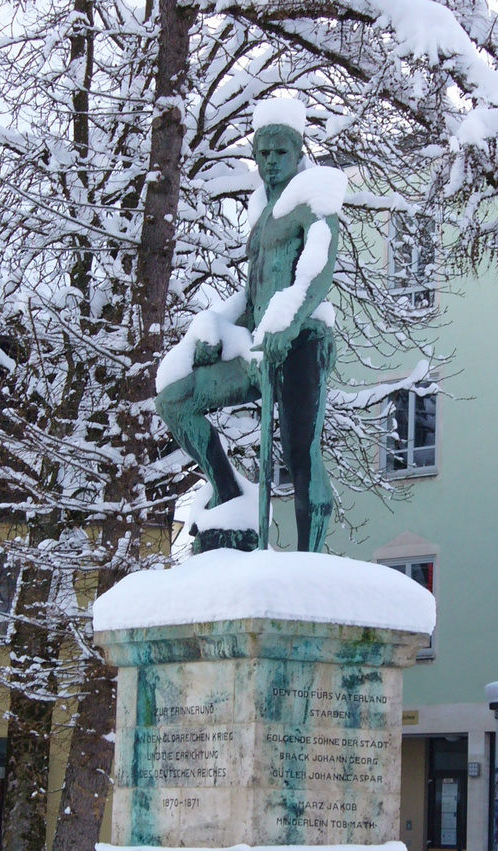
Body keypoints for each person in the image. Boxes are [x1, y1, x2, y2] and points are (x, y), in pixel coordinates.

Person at [155, 98, 347, 553]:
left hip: (301, 339)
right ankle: (228, 490)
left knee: (302, 451)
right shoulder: (261, 218)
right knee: (175, 400)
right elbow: (251, 295)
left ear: (298, 151)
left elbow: (319, 266)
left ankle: (310, 558)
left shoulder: (310, 198)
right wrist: (215, 328)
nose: (270, 162)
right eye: (262, 154)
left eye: (280, 153)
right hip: (257, 348)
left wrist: (290, 320)